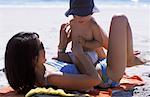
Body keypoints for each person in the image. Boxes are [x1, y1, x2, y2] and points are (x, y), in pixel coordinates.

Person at [5, 15, 147, 94]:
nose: (44, 48)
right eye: (41, 46)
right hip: (108, 74)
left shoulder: (42, 68)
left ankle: (126, 57)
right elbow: (94, 81)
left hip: (98, 61)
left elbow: (63, 63)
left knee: (83, 23)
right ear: (33, 59)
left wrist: (62, 46)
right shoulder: (51, 78)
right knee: (119, 20)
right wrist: (79, 54)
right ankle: (127, 57)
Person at [58, 0, 108, 69]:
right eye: (76, 14)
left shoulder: (93, 25)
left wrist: (85, 43)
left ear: (91, 13)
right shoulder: (72, 23)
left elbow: (99, 42)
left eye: (84, 14)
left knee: (83, 62)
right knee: (59, 57)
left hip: (89, 53)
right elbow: (72, 38)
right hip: (75, 54)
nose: (80, 17)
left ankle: (87, 73)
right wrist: (65, 40)